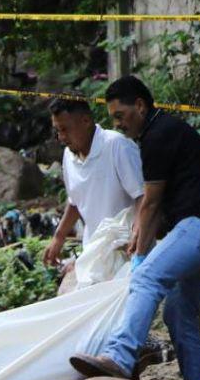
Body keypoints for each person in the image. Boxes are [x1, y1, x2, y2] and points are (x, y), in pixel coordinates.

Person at [70, 75, 200, 380]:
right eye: (113, 119)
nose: (118, 124)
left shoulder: (157, 135)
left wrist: (139, 257)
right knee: (177, 309)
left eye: (121, 116)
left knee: (147, 278)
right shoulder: (167, 129)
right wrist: (139, 240)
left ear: (140, 105)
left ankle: (119, 357)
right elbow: (155, 208)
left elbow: (150, 203)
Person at [41, 96, 143, 267]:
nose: (61, 137)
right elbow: (75, 201)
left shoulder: (117, 146)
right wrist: (58, 238)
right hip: (94, 252)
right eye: (57, 131)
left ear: (86, 120)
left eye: (65, 129)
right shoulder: (68, 155)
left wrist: (138, 235)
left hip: (127, 250)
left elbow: (143, 197)